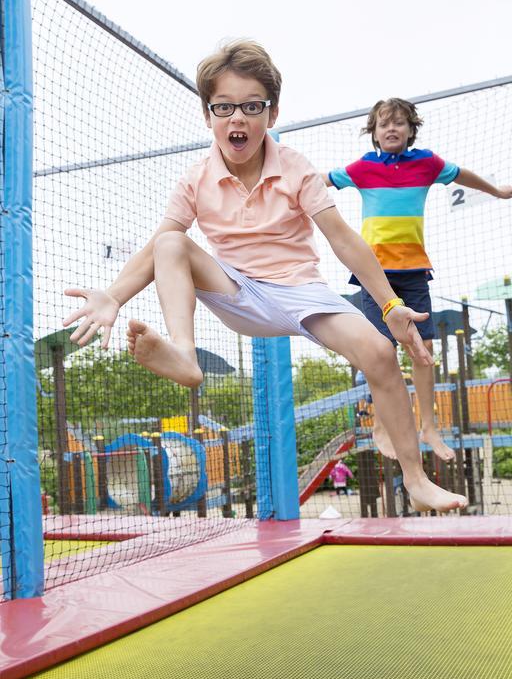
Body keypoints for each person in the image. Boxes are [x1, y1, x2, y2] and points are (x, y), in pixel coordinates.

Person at [63, 40, 467, 513]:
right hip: (235, 290)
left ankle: (415, 480)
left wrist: (390, 304)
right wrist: (113, 296)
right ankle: (186, 356)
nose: (238, 118)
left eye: (252, 106)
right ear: (208, 115)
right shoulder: (195, 178)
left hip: (300, 292)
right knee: (170, 242)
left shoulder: (295, 168)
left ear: (271, 114)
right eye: (225, 107)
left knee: (380, 353)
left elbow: (342, 238)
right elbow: (161, 245)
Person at [324, 98, 512, 462]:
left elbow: (463, 175)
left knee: (422, 349)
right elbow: (321, 182)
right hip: (374, 274)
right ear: (374, 133)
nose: (391, 129)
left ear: (411, 129)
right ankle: (382, 423)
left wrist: (498, 190)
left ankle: (429, 425)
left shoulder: (427, 163)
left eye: (398, 123)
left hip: (412, 270)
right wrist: (280, 187)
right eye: (383, 124)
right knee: (381, 351)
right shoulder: (363, 168)